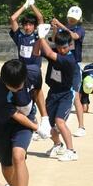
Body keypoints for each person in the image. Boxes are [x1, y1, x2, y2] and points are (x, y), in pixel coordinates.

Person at [9, 0, 51, 137]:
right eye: (25, 25)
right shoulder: (19, 37)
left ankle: (44, 120)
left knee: (36, 93)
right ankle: (33, 125)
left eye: (30, 25)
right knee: (24, 99)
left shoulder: (38, 36)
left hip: (34, 71)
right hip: (21, 72)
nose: (27, 27)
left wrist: (32, 5)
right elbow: (13, 18)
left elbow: (40, 18)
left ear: (34, 26)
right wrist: (24, 6)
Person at [38, 27, 78, 161]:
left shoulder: (69, 60)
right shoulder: (56, 52)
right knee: (49, 124)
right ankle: (58, 145)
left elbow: (49, 53)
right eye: (59, 47)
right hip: (53, 93)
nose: (61, 50)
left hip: (65, 94)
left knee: (59, 122)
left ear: (70, 45)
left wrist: (42, 37)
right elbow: (40, 51)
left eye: (64, 47)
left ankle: (71, 151)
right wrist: (38, 37)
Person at [51, 6, 86, 137]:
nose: (71, 20)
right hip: (61, 64)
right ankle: (57, 124)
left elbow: (74, 36)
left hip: (74, 65)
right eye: (70, 18)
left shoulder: (80, 29)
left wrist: (60, 25)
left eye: (74, 18)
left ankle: (81, 126)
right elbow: (54, 40)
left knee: (76, 96)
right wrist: (55, 28)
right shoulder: (61, 28)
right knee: (59, 92)